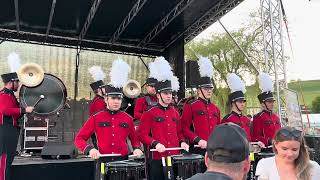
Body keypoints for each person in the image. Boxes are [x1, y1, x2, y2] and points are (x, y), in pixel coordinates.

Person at [74, 59, 143, 160]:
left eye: (119, 98)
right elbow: (79, 139)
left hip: (123, 161)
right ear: (106, 99)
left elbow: (135, 139)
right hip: (102, 160)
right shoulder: (96, 118)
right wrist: (90, 149)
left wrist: (137, 148)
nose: (116, 101)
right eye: (113, 98)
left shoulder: (128, 118)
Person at [138, 57, 189, 180]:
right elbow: (142, 135)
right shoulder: (149, 113)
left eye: (170, 93)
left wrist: (182, 141)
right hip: (157, 158)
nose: (169, 96)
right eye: (166, 93)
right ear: (158, 94)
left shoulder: (176, 113)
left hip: (175, 157)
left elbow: (180, 132)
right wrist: (155, 143)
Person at [0, 53, 34, 180]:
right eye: (17, 82)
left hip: (9, 130)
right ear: (10, 83)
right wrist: (24, 109)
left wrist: (24, 110)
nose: (19, 84)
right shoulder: (5, 95)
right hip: (5, 130)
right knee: (4, 160)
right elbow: (4, 110)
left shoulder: (10, 95)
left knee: (7, 160)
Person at [181, 56, 221, 155]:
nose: (209, 91)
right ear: (199, 90)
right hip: (197, 149)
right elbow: (184, 128)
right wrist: (198, 140)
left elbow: (218, 128)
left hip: (214, 149)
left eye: (210, 88)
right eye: (206, 88)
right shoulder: (190, 105)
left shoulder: (215, 108)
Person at [255, 127, 320, 180]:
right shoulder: (265, 164)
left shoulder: (313, 167)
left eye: (294, 150)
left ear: (300, 148)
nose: (290, 154)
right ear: (275, 145)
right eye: (284, 149)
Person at [222, 73, 253, 142]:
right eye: (239, 102)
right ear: (233, 103)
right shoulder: (227, 119)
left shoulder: (247, 120)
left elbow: (251, 137)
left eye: (243, 102)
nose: (242, 104)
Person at [253, 73, 281, 147]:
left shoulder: (276, 117)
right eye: (269, 102)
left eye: (272, 102)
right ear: (262, 104)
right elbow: (255, 136)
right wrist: (268, 141)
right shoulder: (258, 117)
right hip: (266, 149)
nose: (272, 104)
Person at [88, 66, 107, 148]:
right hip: (99, 130)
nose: (105, 89)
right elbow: (101, 117)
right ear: (99, 90)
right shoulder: (99, 101)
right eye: (103, 88)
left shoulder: (99, 99)